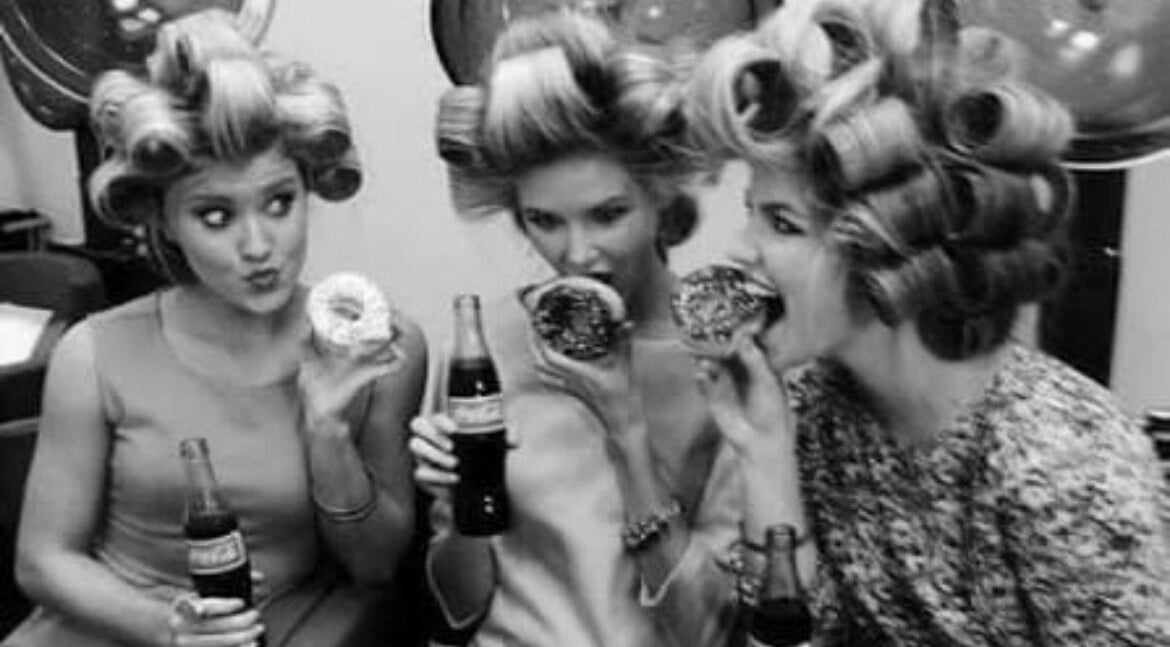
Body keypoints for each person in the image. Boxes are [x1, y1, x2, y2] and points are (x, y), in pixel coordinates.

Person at [686, 0, 1170, 644]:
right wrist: (766, 454)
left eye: (781, 223)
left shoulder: (1063, 469)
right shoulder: (812, 409)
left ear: (889, 243)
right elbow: (800, 633)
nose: (740, 251)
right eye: (752, 213)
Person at [5, 10, 427, 647]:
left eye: (279, 202)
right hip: (100, 627)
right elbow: (43, 561)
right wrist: (169, 628)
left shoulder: (377, 348)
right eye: (215, 214)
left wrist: (327, 431)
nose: (258, 245)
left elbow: (375, 565)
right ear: (165, 221)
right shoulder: (91, 354)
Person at [408, 11, 766, 647]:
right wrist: (465, 510)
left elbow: (707, 632)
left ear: (661, 196)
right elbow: (459, 610)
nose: (577, 255)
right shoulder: (482, 342)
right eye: (545, 221)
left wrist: (624, 425)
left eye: (608, 214)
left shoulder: (730, 356)